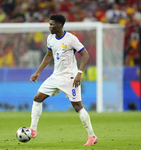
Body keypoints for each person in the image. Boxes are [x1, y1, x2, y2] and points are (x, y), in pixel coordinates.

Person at [29, 14, 98, 146]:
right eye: (49, 24)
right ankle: (33, 129)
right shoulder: (50, 39)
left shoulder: (71, 39)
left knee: (78, 107)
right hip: (55, 76)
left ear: (59, 25)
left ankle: (92, 136)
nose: (49, 27)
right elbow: (48, 56)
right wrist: (38, 72)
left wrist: (79, 73)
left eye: (52, 24)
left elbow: (85, 54)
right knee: (37, 98)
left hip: (70, 78)